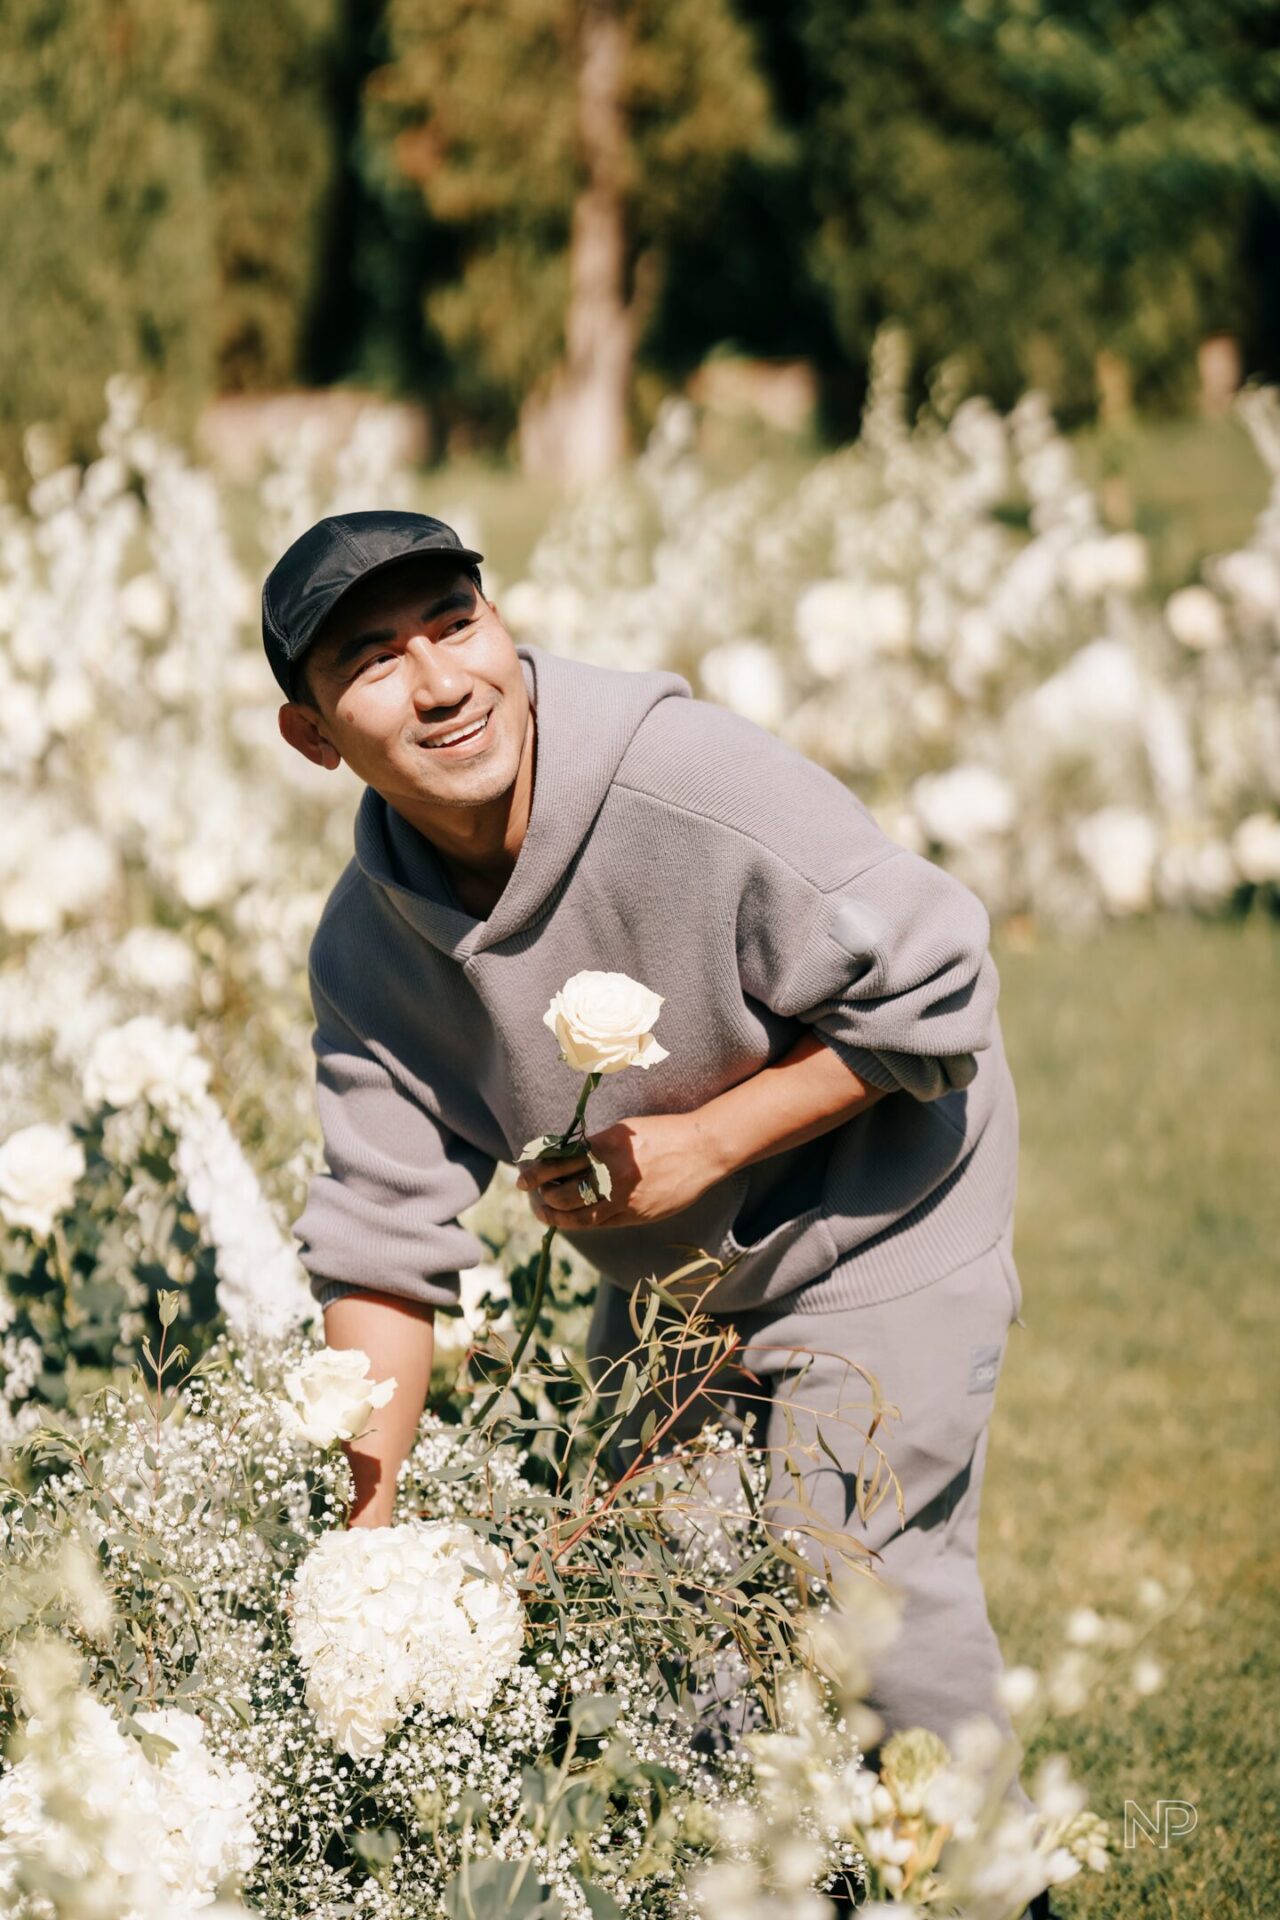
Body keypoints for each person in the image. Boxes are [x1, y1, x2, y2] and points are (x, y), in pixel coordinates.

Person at [264, 507, 1033, 1794]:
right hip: (679, 1282)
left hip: (883, 1209)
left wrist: (703, 1141)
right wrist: (364, 1550)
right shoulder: (366, 949)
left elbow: (941, 985)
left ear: (504, 629)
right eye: (373, 660)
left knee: (868, 1605)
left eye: (456, 623)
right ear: (312, 735)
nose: (442, 681)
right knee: (662, 1623)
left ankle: (988, 1881)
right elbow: (378, 1246)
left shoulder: (686, 783)